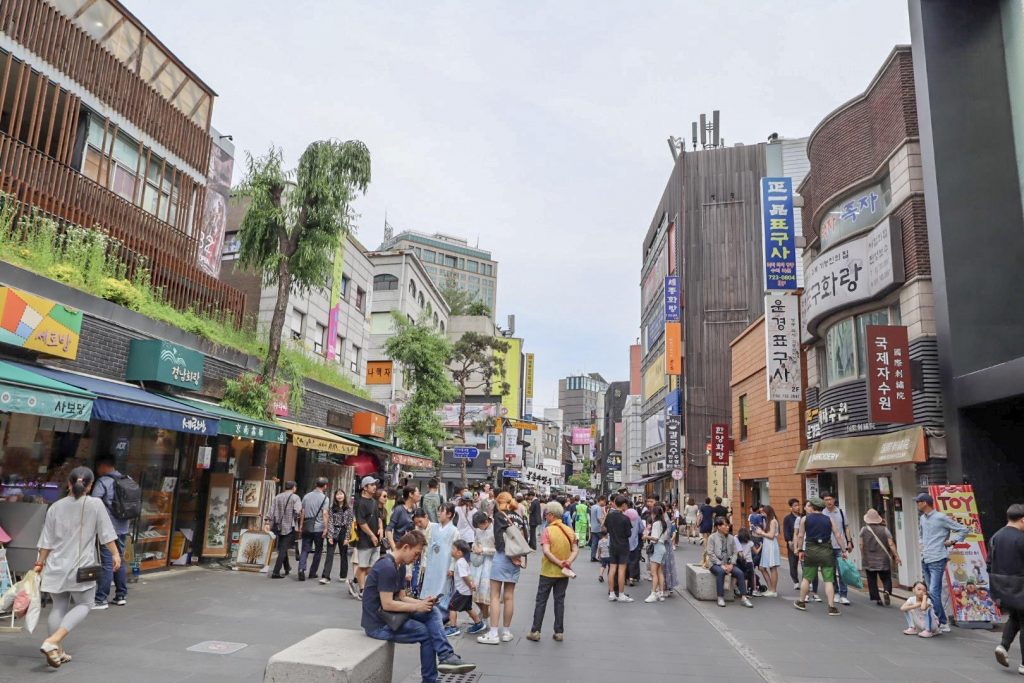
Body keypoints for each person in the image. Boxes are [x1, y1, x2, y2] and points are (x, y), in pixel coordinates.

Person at [361, 530, 476, 682]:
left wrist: (423, 603)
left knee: (432, 610)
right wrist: (417, 607)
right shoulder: (386, 567)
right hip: (378, 624)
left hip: (390, 617)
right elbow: (387, 604)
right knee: (426, 633)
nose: (416, 559)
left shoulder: (400, 566)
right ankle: (435, 672)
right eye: (416, 554)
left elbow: (402, 597)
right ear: (405, 547)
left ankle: (446, 656)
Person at [34, 467, 120, 668]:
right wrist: (116, 554)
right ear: (89, 486)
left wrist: (39, 562)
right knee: (85, 604)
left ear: (69, 483)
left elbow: (46, 539)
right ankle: (52, 642)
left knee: (59, 607)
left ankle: (58, 651)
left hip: (55, 564)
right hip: (81, 566)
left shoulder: (55, 506)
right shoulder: (95, 504)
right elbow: (106, 533)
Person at [478, 491, 529, 644]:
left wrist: (506, 553)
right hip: (516, 559)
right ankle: (506, 632)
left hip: (502, 557)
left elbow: (500, 542)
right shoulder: (519, 517)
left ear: (499, 502)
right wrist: (516, 556)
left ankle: (493, 633)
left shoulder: (500, 516)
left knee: (494, 595)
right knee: (509, 596)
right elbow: (525, 539)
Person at [915, 492, 970, 633]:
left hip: (938, 558)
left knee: (933, 591)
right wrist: (921, 545)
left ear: (925, 503)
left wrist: (953, 541)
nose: (917, 504)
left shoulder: (940, 517)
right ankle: (937, 620)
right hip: (925, 557)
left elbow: (964, 529)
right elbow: (921, 534)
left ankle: (942, 621)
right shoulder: (922, 518)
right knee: (930, 591)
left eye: (918, 502)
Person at [527, 500, 579, 642]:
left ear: (551, 515)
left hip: (548, 572)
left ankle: (535, 631)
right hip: (564, 573)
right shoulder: (569, 530)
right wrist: (568, 562)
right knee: (559, 601)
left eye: (546, 515)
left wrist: (558, 562)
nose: (545, 517)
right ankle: (559, 632)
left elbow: (546, 551)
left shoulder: (548, 530)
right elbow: (575, 549)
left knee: (541, 601)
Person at [794, 497, 848, 616]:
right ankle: (831, 607)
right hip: (826, 551)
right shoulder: (829, 519)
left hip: (811, 551)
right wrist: (844, 550)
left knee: (806, 578)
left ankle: (801, 602)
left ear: (812, 507)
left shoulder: (805, 519)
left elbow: (800, 536)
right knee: (829, 580)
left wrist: (799, 549)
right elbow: (838, 535)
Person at [91, 456, 129, 608]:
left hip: (108, 529)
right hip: (123, 526)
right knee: (119, 558)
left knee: (107, 562)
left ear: (103, 466)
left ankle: (101, 599)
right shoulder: (127, 479)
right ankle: (121, 595)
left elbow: (93, 503)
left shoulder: (103, 482)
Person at [990, 503, 1024, 673]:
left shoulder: (996, 536)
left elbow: (990, 562)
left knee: (1015, 618)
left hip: (1001, 588)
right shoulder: (1021, 538)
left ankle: (1003, 646)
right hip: (1021, 586)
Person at [707, 518, 754, 608]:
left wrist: (732, 564)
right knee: (720, 572)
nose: (728, 527)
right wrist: (721, 564)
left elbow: (735, 552)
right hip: (715, 564)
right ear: (719, 527)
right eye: (725, 525)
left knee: (740, 573)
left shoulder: (731, 538)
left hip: (728, 564)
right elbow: (710, 553)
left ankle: (744, 597)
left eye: (728, 525)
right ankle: (720, 597)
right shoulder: (712, 537)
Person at [420, 502, 458, 609]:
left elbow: (455, 552)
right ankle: (427, 610)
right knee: (429, 586)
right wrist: (425, 562)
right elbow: (428, 547)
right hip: (432, 563)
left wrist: (452, 567)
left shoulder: (454, 531)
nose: (438, 513)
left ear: (449, 514)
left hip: (444, 564)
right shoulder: (434, 528)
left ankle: (441, 616)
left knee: (442, 589)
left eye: (441, 511)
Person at [859, 508, 900, 606]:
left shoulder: (863, 530)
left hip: (869, 560)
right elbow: (891, 544)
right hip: (883, 559)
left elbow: (861, 545)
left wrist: (863, 555)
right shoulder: (885, 529)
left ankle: (877, 599)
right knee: (886, 577)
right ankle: (886, 591)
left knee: (871, 579)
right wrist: (896, 556)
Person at [447, 540, 486, 637]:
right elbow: (469, 574)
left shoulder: (460, 562)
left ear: (459, 552)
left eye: (453, 549)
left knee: (452, 607)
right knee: (468, 607)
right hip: (466, 592)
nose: (451, 550)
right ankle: (478, 623)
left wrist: (470, 585)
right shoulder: (463, 561)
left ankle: (453, 628)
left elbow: (465, 576)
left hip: (462, 592)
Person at [354, 476, 383, 597]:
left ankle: (354, 581)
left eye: (375, 484)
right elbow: (361, 523)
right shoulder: (360, 503)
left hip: (376, 539)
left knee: (372, 567)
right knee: (363, 565)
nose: (374, 486)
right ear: (365, 488)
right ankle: (362, 590)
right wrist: (371, 535)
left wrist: (381, 528)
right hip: (365, 540)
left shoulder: (374, 502)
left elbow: (379, 517)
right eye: (371, 485)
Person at [297, 477, 330, 582]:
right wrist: (326, 528)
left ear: (316, 484)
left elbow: (302, 512)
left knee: (305, 549)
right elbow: (325, 514)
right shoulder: (325, 498)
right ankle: (312, 573)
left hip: (307, 526)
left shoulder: (306, 496)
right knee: (318, 551)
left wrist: (301, 525)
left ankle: (301, 568)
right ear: (325, 486)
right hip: (319, 528)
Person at [822, 493, 852, 605]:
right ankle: (835, 593)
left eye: (830, 499)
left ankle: (844, 594)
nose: (828, 502)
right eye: (826, 500)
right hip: (827, 546)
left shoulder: (841, 512)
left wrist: (849, 541)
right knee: (831, 571)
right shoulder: (822, 513)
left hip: (840, 546)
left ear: (834, 500)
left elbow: (846, 528)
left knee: (842, 571)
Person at [267, 481, 301, 579]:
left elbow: (271, 510)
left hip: (278, 526)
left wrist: (267, 521)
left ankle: (287, 567)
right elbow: (297, 511)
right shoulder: (295, 497)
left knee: (282, 546)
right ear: (294, 488)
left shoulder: (278, 497)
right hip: (289, 526)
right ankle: (276, 572)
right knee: (282, 549)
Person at [321, 489, 354, 589]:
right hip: (333, 530)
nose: (339, 496)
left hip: (343, 531)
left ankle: (343, 575)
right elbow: (330, 521)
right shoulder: (332, 508)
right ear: (335, 496)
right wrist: (330, 535)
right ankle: (326, 576)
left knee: (343, 554)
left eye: (341, 494)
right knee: (329, 554)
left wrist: (347, 537)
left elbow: (349, 524)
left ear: (344, 495)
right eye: (337, 494)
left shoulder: (348, 509)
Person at [605, 495, 633, 602]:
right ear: (624, 504)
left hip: (612, 545)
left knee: (612, 569)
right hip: (623, 546)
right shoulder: (625, 518)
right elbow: (628, 534)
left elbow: (607, 528)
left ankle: (612, 593)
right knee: (621, 570)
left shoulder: (609, 516)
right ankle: (621, 594)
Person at [470, 511, 495, 623]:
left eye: (479, 525)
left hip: (489, 564)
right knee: (473, 590)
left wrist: (483, 550)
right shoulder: (478, 530)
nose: (479, 528)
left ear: (485, 522)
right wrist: (475, 547)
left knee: (485, 592)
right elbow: (475, 541)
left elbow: (498, 550)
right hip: (477, 563)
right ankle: (484, 613)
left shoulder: (494, 530)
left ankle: (485, 617)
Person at [644, 505, 671, 602]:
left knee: (653, 572)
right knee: (660, 572)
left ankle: (653, 593)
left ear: (654, 514)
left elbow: (655, 538)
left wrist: (646, 536)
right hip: (662, 548)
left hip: (657, 548)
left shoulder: (656, 524)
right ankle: (661, 593)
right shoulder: (664, 523)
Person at [755, 505, 781, 597]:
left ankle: (773, 590)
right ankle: (770, 588)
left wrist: (761, 532)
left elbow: (771, 535)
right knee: (762, 567)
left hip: (771, 544)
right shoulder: (769, 521)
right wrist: (760, 532)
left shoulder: (773, 521)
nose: (762, 514)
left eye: (763, 512)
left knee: (772, 567)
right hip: (767, 544)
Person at [388, 485, 420, 551]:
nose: (420, 495)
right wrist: (394, 548)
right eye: (418, 492)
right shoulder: (399, 509)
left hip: (411, 547)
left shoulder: (415, 509)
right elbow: (388, 530)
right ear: (411, 494)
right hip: (400, 546)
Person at [783, 498, 803, 590]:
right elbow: (786, 531)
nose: (798, 507)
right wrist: (789, 541)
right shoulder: (787, 518)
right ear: (791, 507)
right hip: (792, 543)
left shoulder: (803, 517)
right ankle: (795, 581)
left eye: (798, 505)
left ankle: (807, 581)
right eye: (795, 505)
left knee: (804, 563)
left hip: (802, 543)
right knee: (793, 563)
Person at [588, 495, 607, 561]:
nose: (604, 504)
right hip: (599, 528)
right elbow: (599, 518)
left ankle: (592, 557)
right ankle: (602, 557)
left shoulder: (592, 507)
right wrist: (603, 525)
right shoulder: (598, 508)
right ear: (601, 500)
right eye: (604, 502)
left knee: (594, 543)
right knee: (603, 542)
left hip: (593, 528)